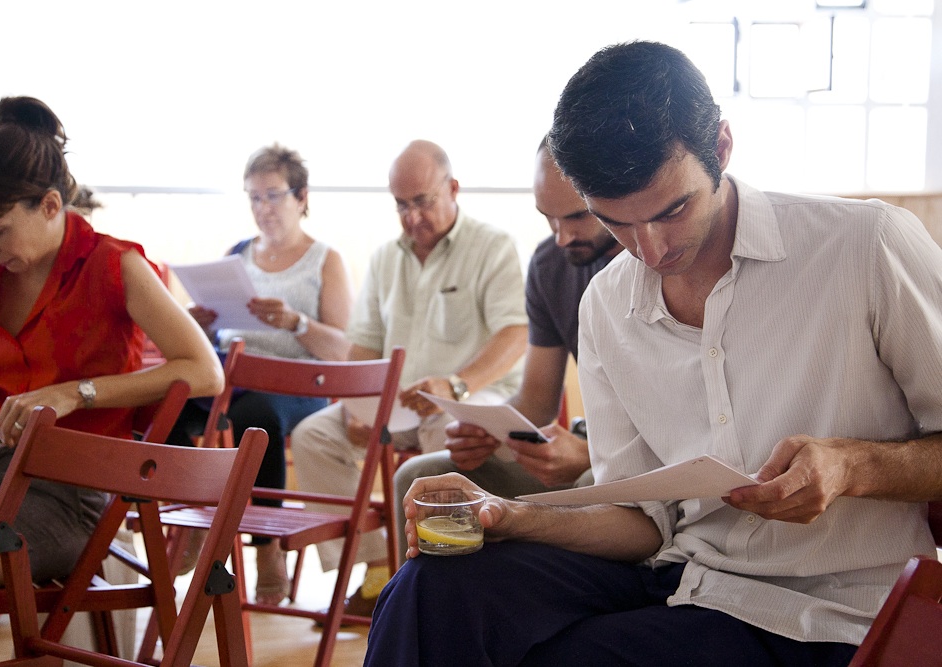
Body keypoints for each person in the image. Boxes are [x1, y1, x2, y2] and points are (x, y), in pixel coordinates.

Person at [365, 41, 942, 667]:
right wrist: (507, 515)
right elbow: (641, 521)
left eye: (673, 209)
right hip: (678, 574)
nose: (651, 249)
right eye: (615, 221)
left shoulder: (865, 247)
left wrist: (851, 466)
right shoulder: (608, 303)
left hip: (826, 609)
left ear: (720, 147)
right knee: (432, 588)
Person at [0, 96, 224, 589]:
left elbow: (205, 371)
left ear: (50, 205)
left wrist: (76, 393)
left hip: (72, 490)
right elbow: (21, 382)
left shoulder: (115, 266)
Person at [291, 139, 528, 620]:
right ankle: (378, 568)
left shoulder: (492, 246)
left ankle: (442, 582)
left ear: (453, 189)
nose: (413, 216)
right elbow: (362, 346)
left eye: (423, 201)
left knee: (446, 434)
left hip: (467, 397)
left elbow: (516, 332)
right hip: (396, 402)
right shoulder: (384, 258)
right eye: (402, 205)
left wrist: (456, 386)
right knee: (313, 435)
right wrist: (361, 405)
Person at [391, 137, 624, 560]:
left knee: (594, 480)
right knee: (424, 477)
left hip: (632, 466)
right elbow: (536, 401)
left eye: (577, 217)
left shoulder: (656, 264)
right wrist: (489, 433)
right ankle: (430, 616)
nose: (563, 237)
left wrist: (589, 453)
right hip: (589, 446)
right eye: (549, 220)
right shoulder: (550, 265)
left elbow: (687, 431)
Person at [167, 142, 352, 605]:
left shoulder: (325, 260)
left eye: (272, 195)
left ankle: (267, 548)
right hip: (232, 375)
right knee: (166, 403)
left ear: (301, 196)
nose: (262, 208)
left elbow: (343, 349)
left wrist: (295, 322)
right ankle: (191, 516)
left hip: (299, 383)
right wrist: (201, 322)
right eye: (254, 197)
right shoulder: (238, 253)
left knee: (258, 417)